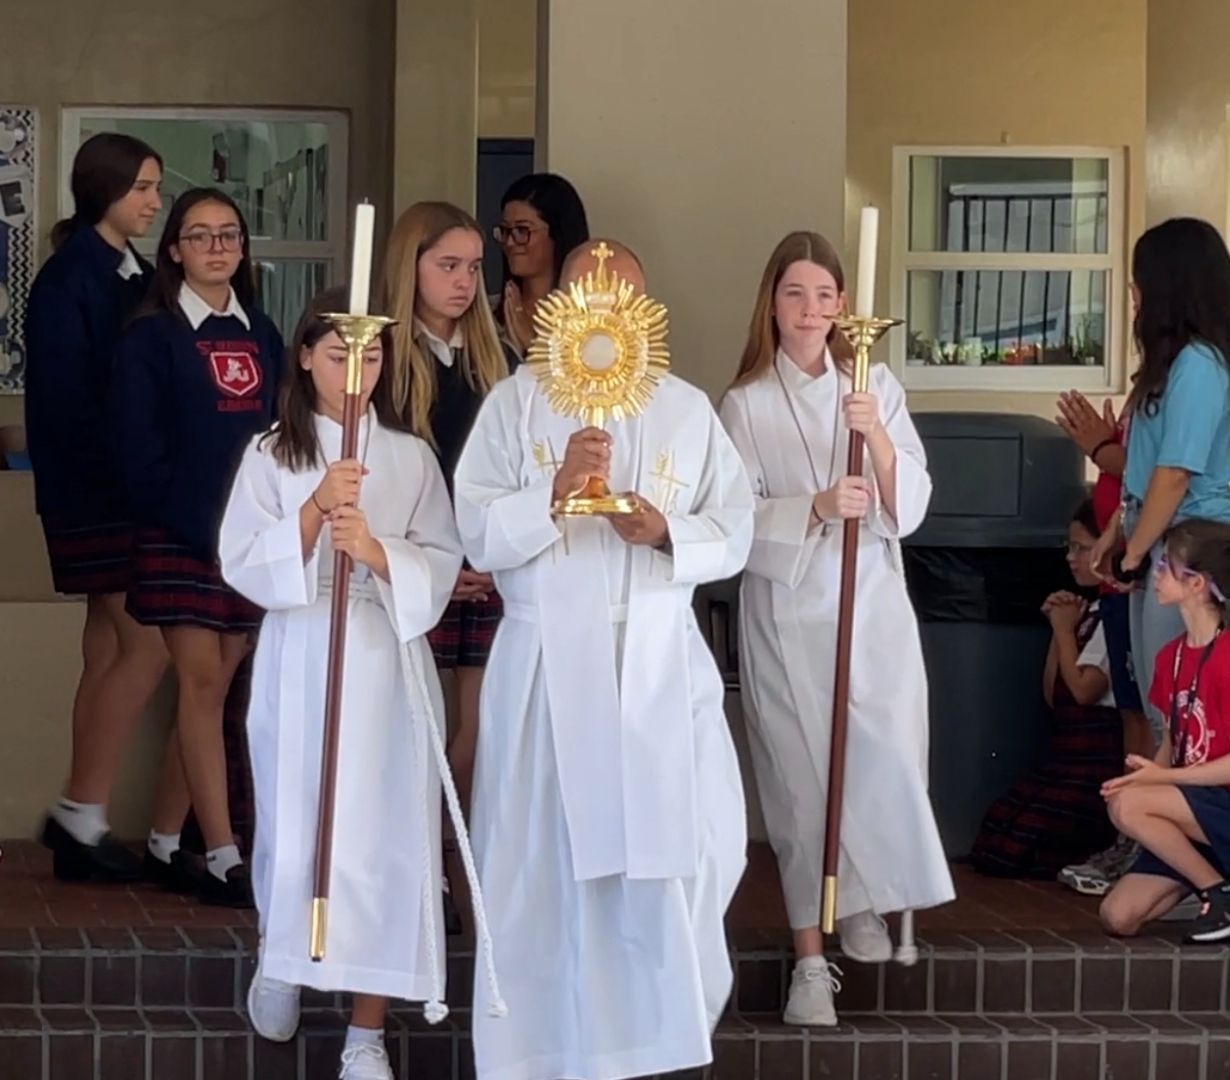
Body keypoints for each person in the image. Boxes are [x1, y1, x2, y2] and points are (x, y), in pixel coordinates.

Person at [454, 239, 752, 1080]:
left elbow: (734, 528)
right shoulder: (518, 405)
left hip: (657, 653)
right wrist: (551, 496)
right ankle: (545, 1045)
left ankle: (663, 1029)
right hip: (548, 655)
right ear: (561, 305)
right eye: (587, 293)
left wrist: (665, 530)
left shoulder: (688, 410)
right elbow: (472, 526)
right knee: (540, 855)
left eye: (621, 296)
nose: (603, 310)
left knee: (703, 841)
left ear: (645, 312)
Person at [220, 286, 500, 1080]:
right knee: (298, 814)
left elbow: (440, 560)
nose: (356, 369)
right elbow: (242, 562)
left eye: (371, 354)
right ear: (306, 355)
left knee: (384, 833)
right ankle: (283, 956)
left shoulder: (410, 458)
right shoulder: (273, 454)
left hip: (383, 661)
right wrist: (312, 512)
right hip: (304, 654)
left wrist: (377, 554)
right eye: (340, 353)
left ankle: (365, 1029)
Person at [718, 230, 953, 1028]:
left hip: (870, 602)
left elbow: (911, 506)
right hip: (787, 608)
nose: (810, 310)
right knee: (800, 780)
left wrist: (878, 437)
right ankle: (811, 964)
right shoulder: (745, 403)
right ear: (772, 304)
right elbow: (733, 520)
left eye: (825, 295)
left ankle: (866, 897)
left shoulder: (875, 383)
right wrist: (815, 506)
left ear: (844, 306)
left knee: (881, 754)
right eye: (795, 295)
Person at [25, 132, 190, 885]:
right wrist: (135, 469)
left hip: (115, 487)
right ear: (106, 190)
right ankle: (81, 811)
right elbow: (69, 403)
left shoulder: (126, 272)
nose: (154, 202)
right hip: (99, 493)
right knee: (147, 645)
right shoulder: (71, 279)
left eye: (156, 189)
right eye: (143, 189)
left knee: (106, 648)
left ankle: (78, 813)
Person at [113, 187, 283, 906]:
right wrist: (205, 530)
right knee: (204, 683)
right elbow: (138, 455)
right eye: (200, 235)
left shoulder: (266, 335)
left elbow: (281, 441)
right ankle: (221, 853)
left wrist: (260, 530)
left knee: (215, 692)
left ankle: (161, 839)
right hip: (183, 536)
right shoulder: (148, 338)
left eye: (230, 235)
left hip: (252, 542)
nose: (218, 247)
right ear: (174, 250)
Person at [382, 201, 514, 815]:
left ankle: (461, 863)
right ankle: (424, 865)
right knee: (414, 724)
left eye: (474, 267)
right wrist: (434, 565)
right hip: (418, 565)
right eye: (448, 265)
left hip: (487, 567)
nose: (464, 282)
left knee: (482, 727)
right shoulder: (380, 362)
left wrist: (490, 555)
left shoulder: (499, 363)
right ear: (411, 266)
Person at [1091, 219, 1230, 749]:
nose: (1133, 294)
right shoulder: (1170, 365)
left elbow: (1174, 475)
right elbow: (1146, 471)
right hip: (1162, 547)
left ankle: (1175, 825)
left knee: (1176, 711)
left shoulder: (1200, 364)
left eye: (1139, 280)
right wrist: (1116, 534)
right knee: (1160, 699)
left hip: (1195, 550)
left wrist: (1134, 555)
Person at [971, 500, 1122, 878]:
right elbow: (1053, 693)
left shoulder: (1113, 619)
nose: (1072, 558)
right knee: (994, 833)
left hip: (1093, 765)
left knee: (1017, 850)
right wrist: (1062, 628)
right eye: (1069, 547)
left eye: (1082, 548)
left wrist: (1061, 629)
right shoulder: (1083, 612)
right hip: (1063, 760)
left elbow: (1084, 689)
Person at [1099, 519, 1230, 943]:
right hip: (1193, 808)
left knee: (1129, 804)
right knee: (1118, 916)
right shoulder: (1170, 656)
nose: (1155, 574)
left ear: (1197, 584)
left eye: (1165, 566)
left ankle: (1217, 894)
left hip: (1218, 803)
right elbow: (1175, 741)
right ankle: (1215, 885)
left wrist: (1157, 783)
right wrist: (1145, 775)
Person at [1054, 391, 1149, 895]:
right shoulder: (1151, 378)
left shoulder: (1196, 371)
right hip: (1117, 579)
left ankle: (1145, 840)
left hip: (1145, 572)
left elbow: (1159, 467)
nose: (1136, 308)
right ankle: (1128, 832)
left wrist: (1101, 449)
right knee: (1131, 716)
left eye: (1140, 304)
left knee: (1152, 718)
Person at [492, 173, 589, 356]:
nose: (510, 243)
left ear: (558, 233)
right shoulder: (487, 314)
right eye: (505, 231)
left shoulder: (591, 319)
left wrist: (534, 348)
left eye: (522, 230)